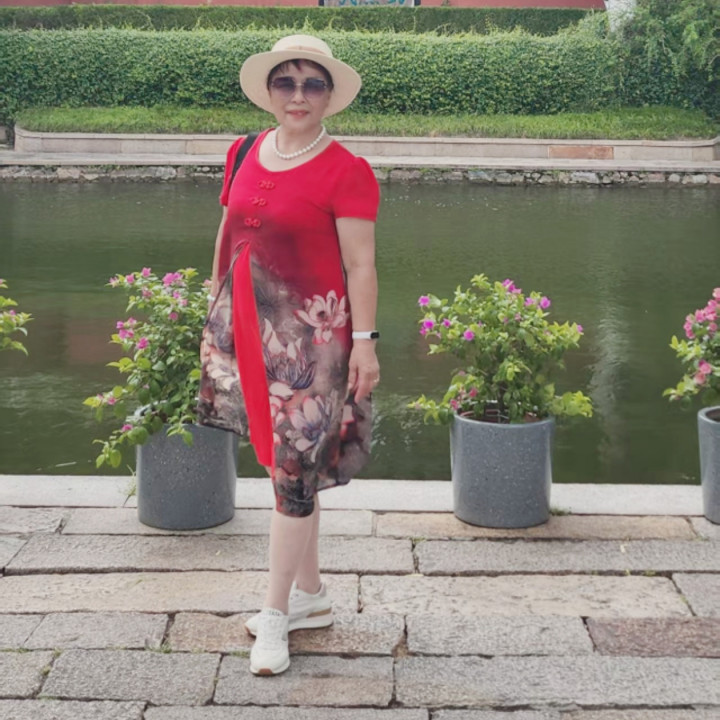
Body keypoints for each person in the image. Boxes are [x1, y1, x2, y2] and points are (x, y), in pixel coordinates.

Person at [198, 35, 380, 676]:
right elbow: (226, 231)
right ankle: (311, 596)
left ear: (328, 96)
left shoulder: (348, 170)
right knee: (286, 467)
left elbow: (361, 266)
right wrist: (214, 308)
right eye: (286, 82)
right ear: (269, 92)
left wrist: (365, 344)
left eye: (312, 84)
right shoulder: (243, 150)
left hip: (314, 345)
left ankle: (274, 614)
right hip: (250, 332)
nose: (298, 95)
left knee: (295, 471)